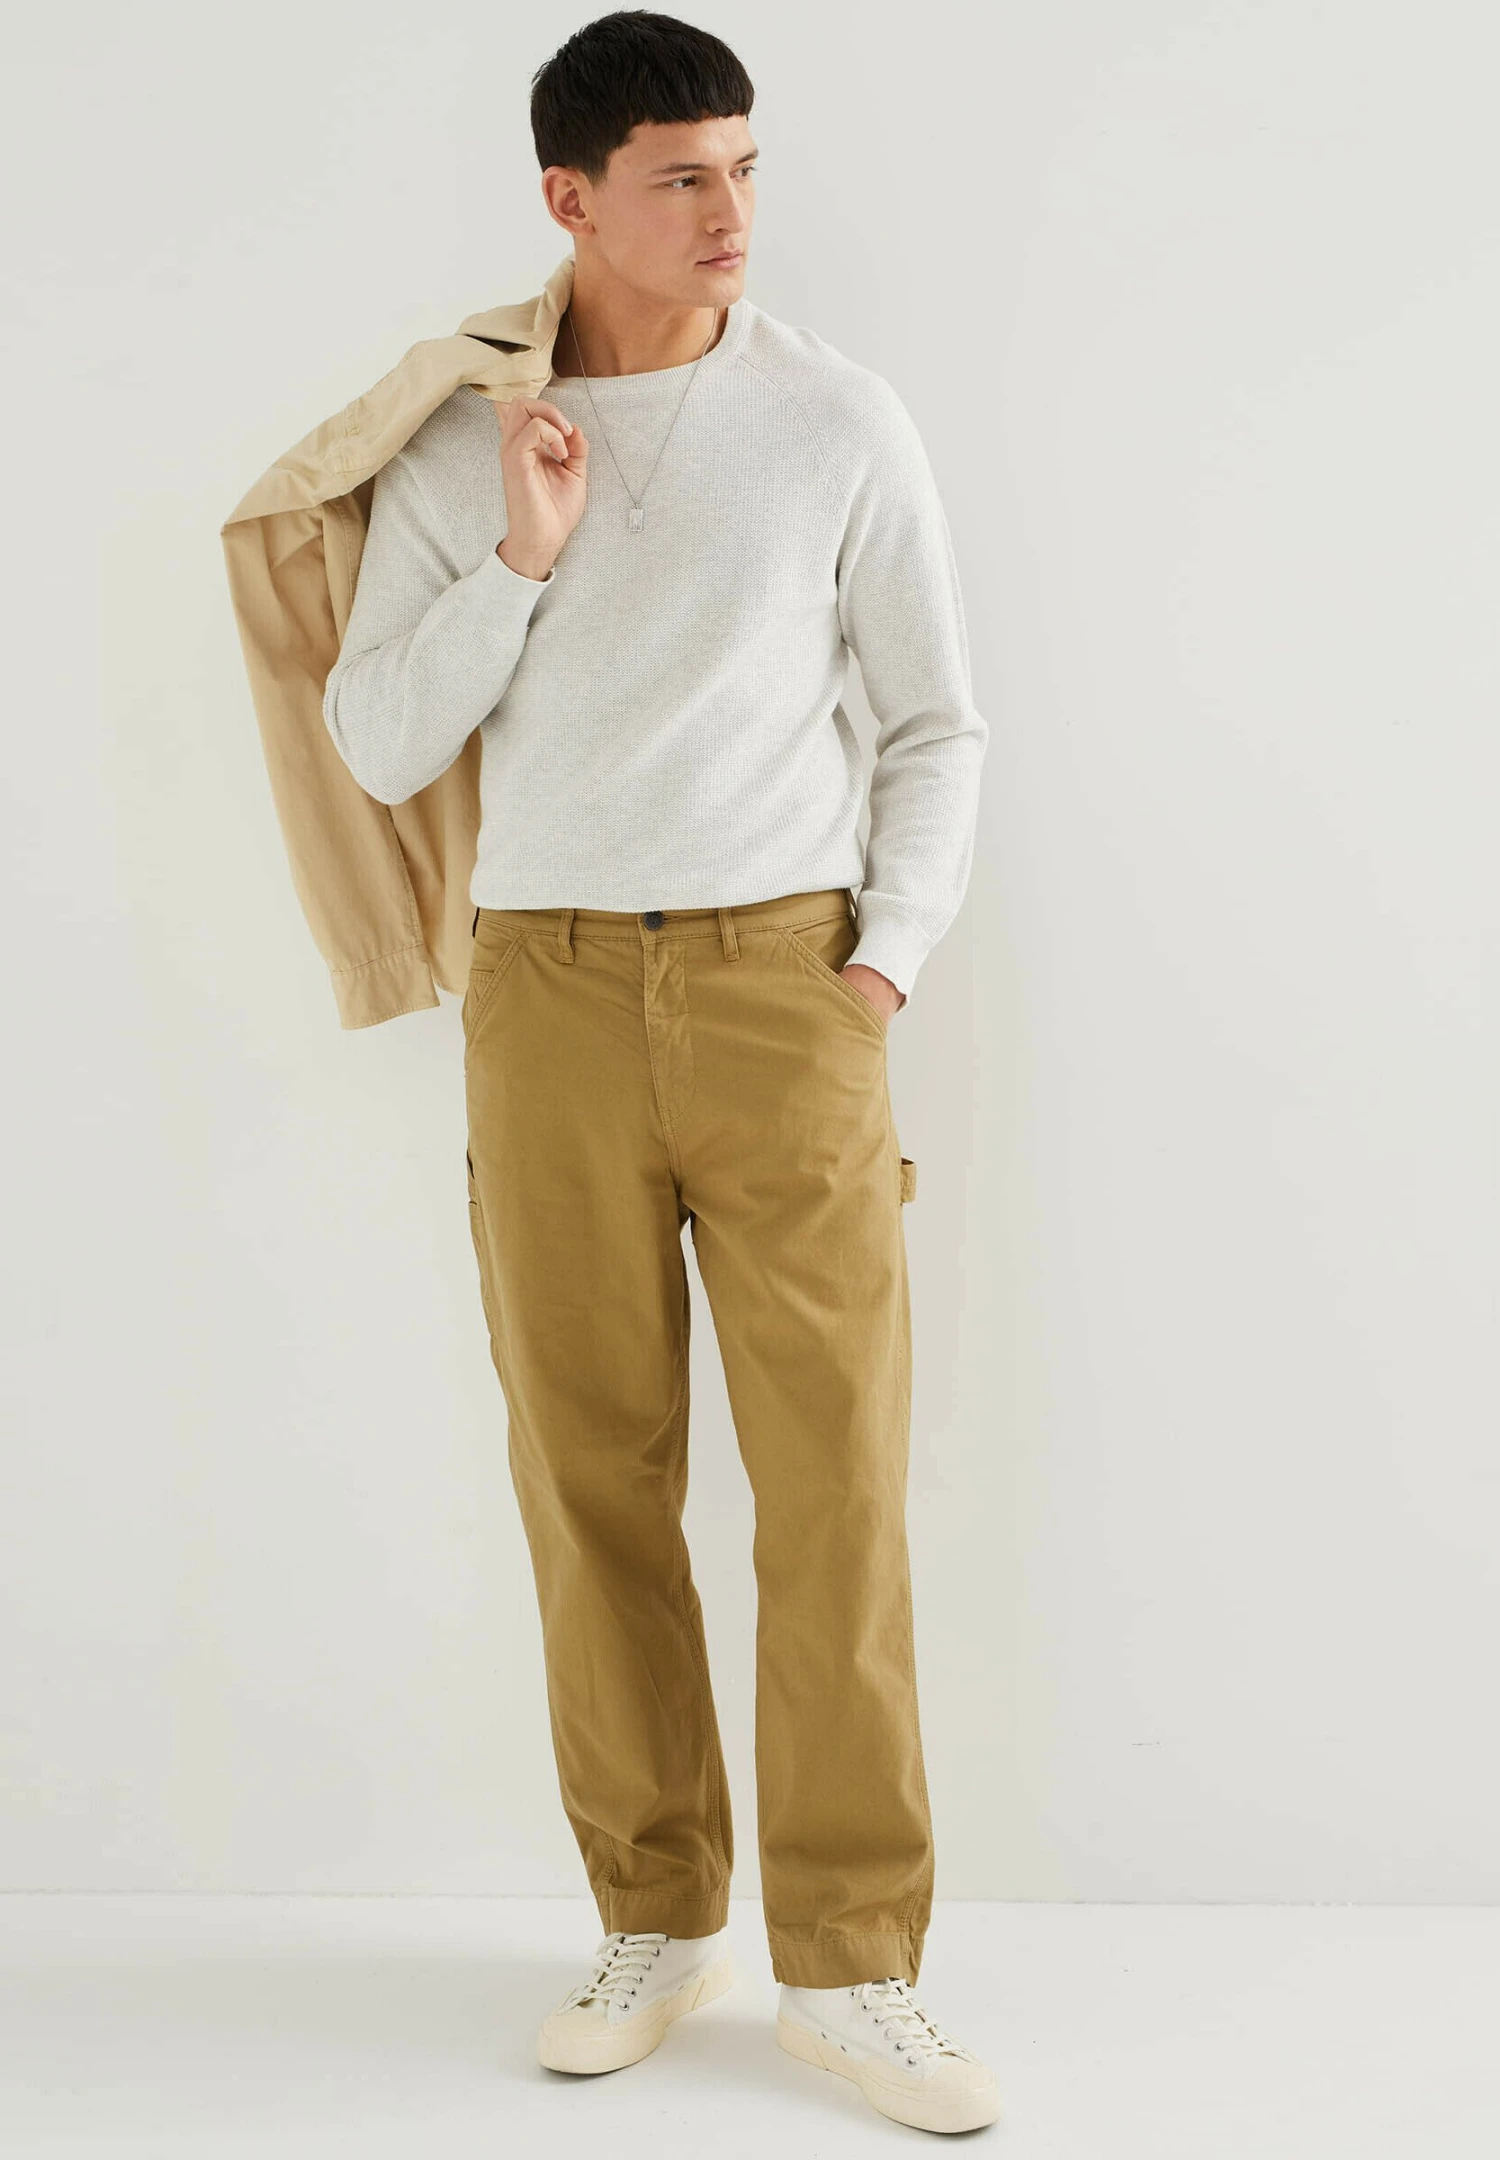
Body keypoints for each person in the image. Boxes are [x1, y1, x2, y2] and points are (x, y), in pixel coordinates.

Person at [321, 10, 996, 2136]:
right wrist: (525, 551)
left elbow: (935, 722)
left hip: (790, 981)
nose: (731, 210)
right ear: (572, 197)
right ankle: (654, 1911)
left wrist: (880, 967)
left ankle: (856, 1966)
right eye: (683, 174)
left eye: (745, 166)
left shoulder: (836, 417)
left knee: (837, 1489)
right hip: (545, 998)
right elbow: (378, 742)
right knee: (590, 1481)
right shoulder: (464, 442)